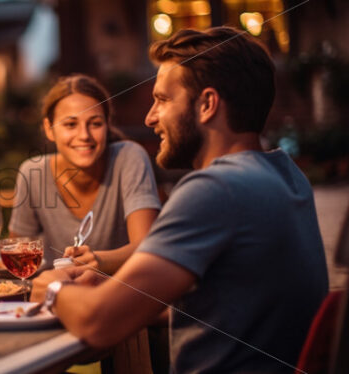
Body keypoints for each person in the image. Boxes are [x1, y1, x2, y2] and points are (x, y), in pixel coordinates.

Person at [31, 27, 329, 373]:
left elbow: (99, 325)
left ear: (206, 104)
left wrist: (52, 289)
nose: (149, 117)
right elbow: (230, 306)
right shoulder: (286, 175)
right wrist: (114, 290)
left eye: (162, 99)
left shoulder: (214, 189)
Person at [9, 74, 161, 273]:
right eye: (70, 124)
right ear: (49, 129)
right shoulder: (32, 172)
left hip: (121, 294)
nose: (84, 135)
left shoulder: (129, 157)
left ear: (107, 125)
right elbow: (19, 256)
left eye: (95, 123)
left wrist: (99, 260)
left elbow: (147, 247)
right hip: (58, 294)